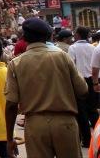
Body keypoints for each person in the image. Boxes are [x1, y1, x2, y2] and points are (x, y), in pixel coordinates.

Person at [5, 17, 88, 158]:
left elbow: (11, 105)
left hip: (35, 125)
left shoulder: (16, 63)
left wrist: (9, 139)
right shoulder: (63, 57)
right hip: (65, 123)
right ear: (48, 37)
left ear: (24, 37)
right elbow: (82, 90)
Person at [68, 25, 97, 147]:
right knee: (93, 110)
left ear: (78, 35)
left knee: (82, 111)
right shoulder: (92, 47)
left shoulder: (72, 48)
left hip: (79, 82)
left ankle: (87, 140)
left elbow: (71, 66)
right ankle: (97, 138)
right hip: (92, 80)